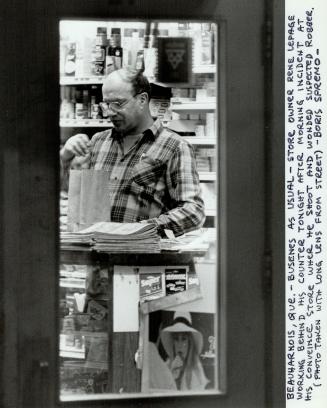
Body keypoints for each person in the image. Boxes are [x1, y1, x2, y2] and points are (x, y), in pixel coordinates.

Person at [60, 68, 205, 236]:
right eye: (106, 104)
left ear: (142, 100)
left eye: (117, 103)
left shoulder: (175, 147)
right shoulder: (98, 142)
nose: (109, 112)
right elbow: (70, 198)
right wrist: (65, 157)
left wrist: (140, 231)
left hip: (144, 259)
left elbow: (193, 212)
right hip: (99, 256)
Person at [158, 311, 209, 391]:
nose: (180, 345)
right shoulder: (166, 367)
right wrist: (171, 377)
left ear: (190, 344)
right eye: (176, 339)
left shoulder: (196, 370)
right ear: (173, 343)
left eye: (184, 339)